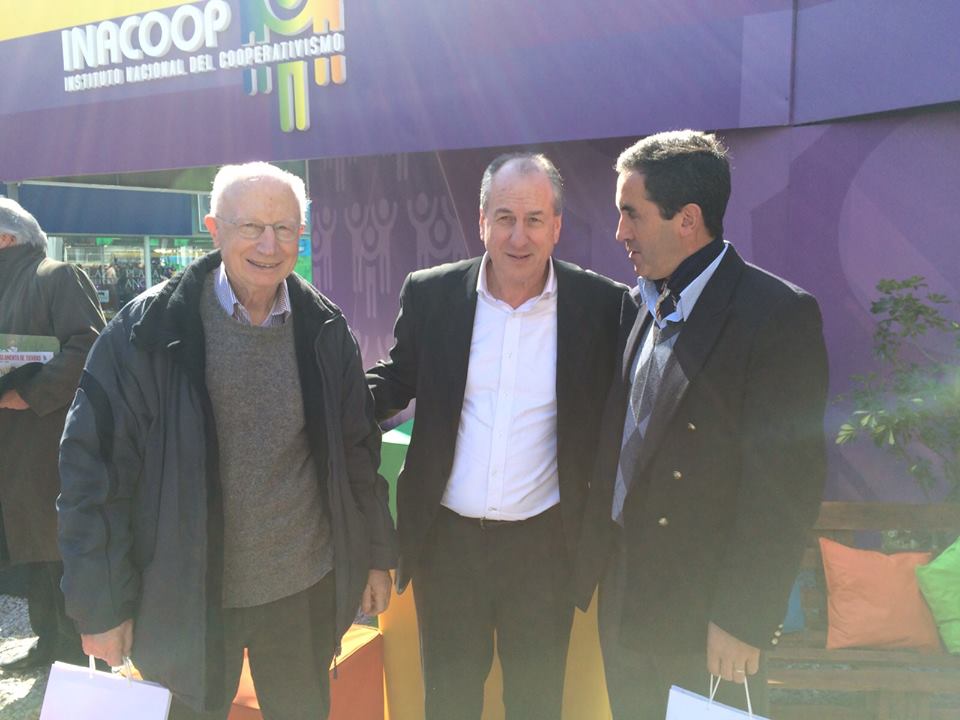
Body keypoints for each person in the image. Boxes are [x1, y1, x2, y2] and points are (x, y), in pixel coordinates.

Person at [58, 162, 397, 719]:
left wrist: (377, 557)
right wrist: (100, 604)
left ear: (300, 234)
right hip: (188, 596)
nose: (269, 245)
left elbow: (357, 452)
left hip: (301, 590)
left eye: (284, 228)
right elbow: (91, 473)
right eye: (251, 227)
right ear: (214, 230)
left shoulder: (324, 328)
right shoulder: (147, 332)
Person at [576, 130, 829, 718]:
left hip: (706, 618)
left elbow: (785, 486)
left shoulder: (776, 315)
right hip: (626, 598)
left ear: (687, 219)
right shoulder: (641, 303)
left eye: (632, 214)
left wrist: (743, 618)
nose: (620, 233)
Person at [367, 153, 625, 719]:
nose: (518, 236)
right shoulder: (433, 294)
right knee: (449, 703)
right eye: (504, 218)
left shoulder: (602, 306)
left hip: (545, 549)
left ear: (557, 226)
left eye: (534, 219)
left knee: (535, 703)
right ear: (481, 221)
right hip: (446, 547)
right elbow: (397, 379)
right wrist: (326, 407)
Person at [0, 199, 104, 673]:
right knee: (30, 546)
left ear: (7, 237)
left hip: (48, 441)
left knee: (58, 546)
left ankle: (78, 649)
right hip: (14, 445)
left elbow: (89, 344)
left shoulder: (57, 276)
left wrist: (30, 394)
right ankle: (48, 640)